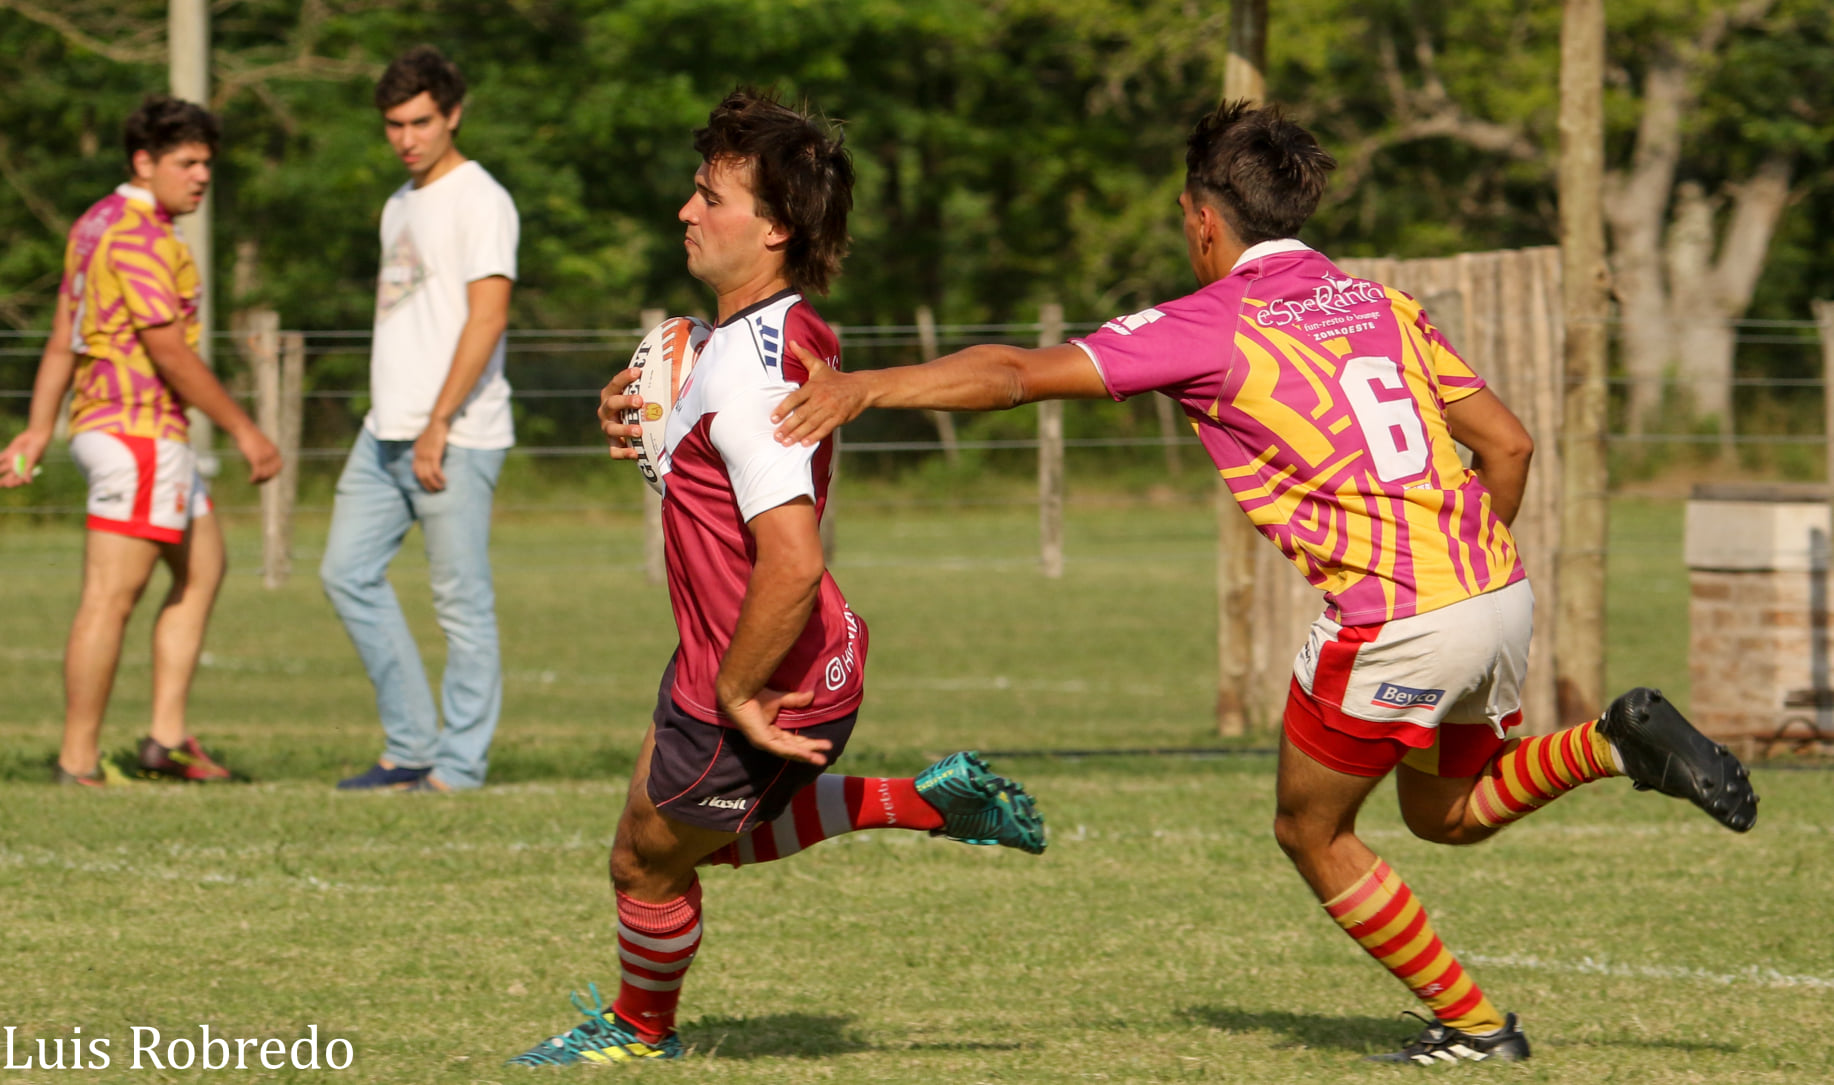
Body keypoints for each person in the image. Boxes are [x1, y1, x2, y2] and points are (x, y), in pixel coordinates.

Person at [768, 100, 1759, 1065]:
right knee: (1443, 814)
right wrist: (1460, 575)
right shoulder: (1379, 301)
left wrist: (866, 386)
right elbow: (1510, 442)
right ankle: (1612, 738)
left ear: (1204, 218)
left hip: (1399, 619)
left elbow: (1017, 373)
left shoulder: (1211, 322)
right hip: (1496, 587)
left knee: (1310, 828)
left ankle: (1476, 1026)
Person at [507, 89, 1045, 1067]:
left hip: (764, 666)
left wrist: (738, 689)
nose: (686, 210)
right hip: (734, 649)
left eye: (709, 195)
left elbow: (793, 557)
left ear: (773, 227)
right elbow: (716, 438)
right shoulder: (768, 334)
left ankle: (638, 1030)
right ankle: (920, 802)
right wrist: (649, 428)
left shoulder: (750, 378)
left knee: (646, 859)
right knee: (661, 838)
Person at [0, 95, 282, 786]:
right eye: (186, 163)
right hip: (138, 432)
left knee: (203, 565)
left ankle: (163, 740)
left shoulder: (95, 221)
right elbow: (170, 352)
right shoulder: (140, 237)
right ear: (143, 161)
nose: (201, 177)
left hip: (133, 432)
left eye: (207, 163)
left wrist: (41, 425)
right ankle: (77, 759)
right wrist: (247, 430)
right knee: (109, 597)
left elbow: (66, 330)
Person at [320, 46, 518, 793]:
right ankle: (409, 746)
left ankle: (459, 766)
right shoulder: (398, 203)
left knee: (461, 604)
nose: (406, 137)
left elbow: (487, 316)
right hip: (384, 431)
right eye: (394, 124)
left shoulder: (481, 199)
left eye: (421, 121)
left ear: (452, 114)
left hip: (456, 436)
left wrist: (438, 421)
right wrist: (400, 419)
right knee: (345, 572)